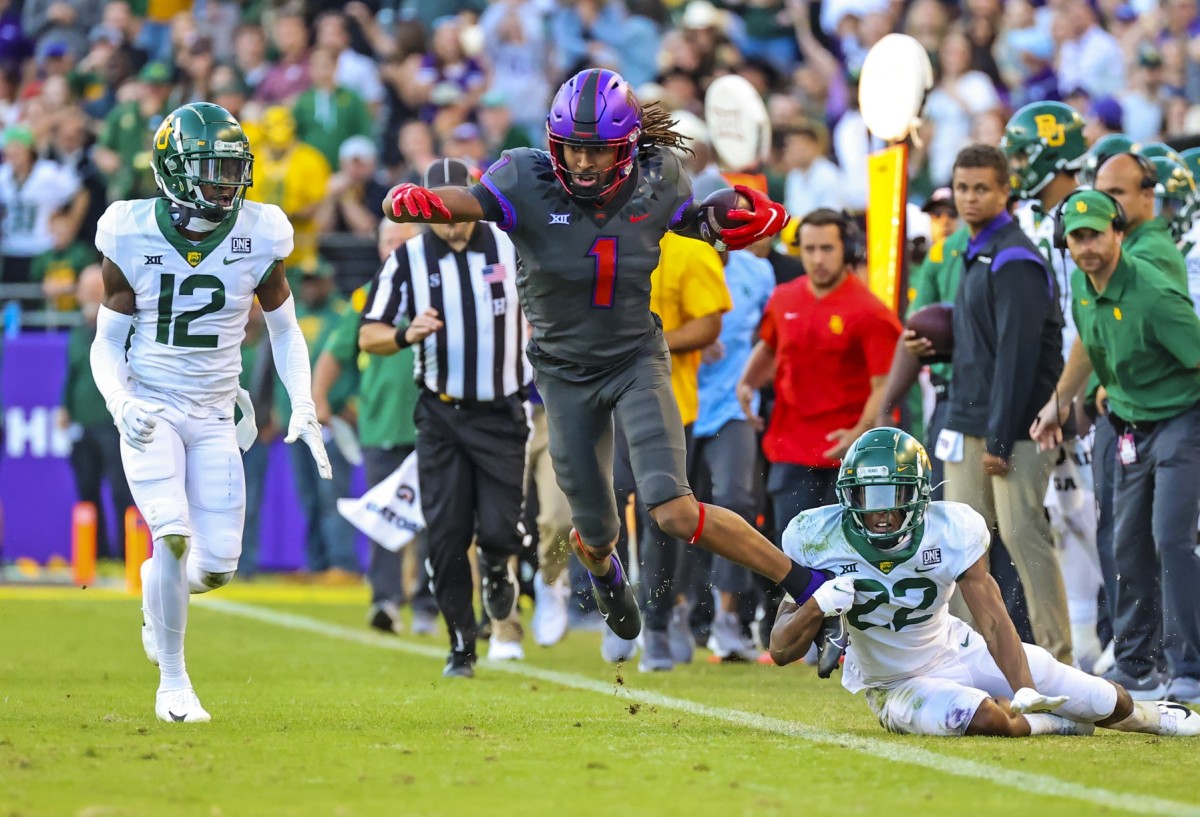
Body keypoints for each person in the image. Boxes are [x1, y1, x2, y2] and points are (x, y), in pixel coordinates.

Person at [379, 68, 827, 658]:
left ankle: (807, 584)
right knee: (592, 530)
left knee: (672, 509)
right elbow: (468, 200)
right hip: (561, 374)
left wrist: (730, 221)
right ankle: (603, 568)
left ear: (626, 148)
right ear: (553, 142)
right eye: (574, 148)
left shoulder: (656, 177)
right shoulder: (524, 178)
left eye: (598, 150)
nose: (585, 163)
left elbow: (696, 219)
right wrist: (421, 201)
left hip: (634, 358)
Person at [90, 102, 331, 723]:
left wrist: (302, 403)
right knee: (171, 533)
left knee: (217, 567)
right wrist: (121, 402)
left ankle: (157, 589)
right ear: (174, 170)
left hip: (216, 411)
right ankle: (173, 683)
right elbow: (107, 341)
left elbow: (284, 330)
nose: (228, 182)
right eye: (212, 169)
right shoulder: (129, 229)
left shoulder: (261, 229)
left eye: (233, 168)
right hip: (152, 403)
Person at [769, 426, 1199, 738]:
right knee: (989, 720)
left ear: (919, 495)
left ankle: (1150, 716)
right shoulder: (816, 537)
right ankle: (1055, 726)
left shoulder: (952, 528)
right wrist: (817, 603)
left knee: (1106, 699)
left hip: (958, 647)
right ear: (848, 495)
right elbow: (782, 650)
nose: (880, 512)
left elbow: (992, 620)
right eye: (868, 496)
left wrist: (1025, 687)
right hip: (894, 684)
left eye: (894, 495)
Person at [362, 157, 531, 679]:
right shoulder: (408, 260)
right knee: (446, 534)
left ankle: (500, 571)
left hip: (503, 411)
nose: (452, 219)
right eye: (439, 210)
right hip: (442, 415)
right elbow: (369, 333)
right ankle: (461, 643)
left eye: (458, 206)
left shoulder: (509, 245)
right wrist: (406, 334)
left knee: (502, 531)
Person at [1030, 189, 1200, 705]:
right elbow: (1086, 342)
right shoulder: (1084, 286)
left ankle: (1189, 666)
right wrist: (1059, 402)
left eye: (1095, 234)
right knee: (1125, 540)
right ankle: (1135, 663)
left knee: (1170, 537)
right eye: (1077, 237)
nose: (1085, 247)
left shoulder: (1153, 294)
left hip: (1179, 419)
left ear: (1119, 234)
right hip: (1128, 423)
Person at [939, 144, 1072, 666]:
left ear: (1005, 193)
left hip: (1013, 428)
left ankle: (1059, 658)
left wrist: (999, 438)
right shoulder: (974, 251)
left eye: (981, 188)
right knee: (965, 549)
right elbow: (987, 345)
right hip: (970, 419)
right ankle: (968, 659)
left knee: (1023, 537)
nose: (970, 198)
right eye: (963, 187)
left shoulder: (1014, 257)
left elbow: (1018, 358)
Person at [56, 264, 135, 561]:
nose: (89, 294)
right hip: (84, 423)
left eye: (95, 288)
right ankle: (97, 554)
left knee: (120, 490)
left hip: (114, 420)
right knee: (87, 490)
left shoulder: (121, 326)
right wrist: (65, 406)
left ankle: (128, 553)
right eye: (86, 288)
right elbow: (73, 373)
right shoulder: (78, 333)